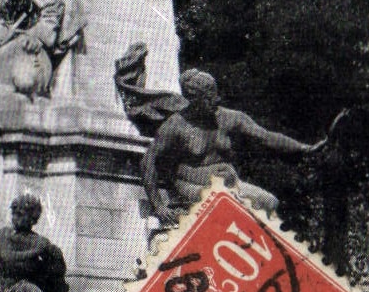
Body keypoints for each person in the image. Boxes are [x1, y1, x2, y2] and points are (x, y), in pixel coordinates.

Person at [143, 69, 335, 223]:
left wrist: (303, 148)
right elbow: (148, 161)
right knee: (228, 206)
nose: (216, 100)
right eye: (209, 97)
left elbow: (266, 136)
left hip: (230, 183)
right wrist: (158, 204)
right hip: (191, 186)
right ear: (194, 100)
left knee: (269, 202)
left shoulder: (229, 118)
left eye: (215, 94)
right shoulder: (176, 125)